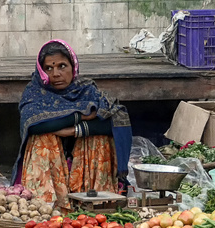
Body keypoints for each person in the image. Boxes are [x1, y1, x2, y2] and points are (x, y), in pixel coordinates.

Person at [11, 40, 132, 208]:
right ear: (41, 72)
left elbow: (113, 123)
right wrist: (80, 116)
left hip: (82, 158)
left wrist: (75, 130)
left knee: (99, 139)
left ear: (73, 67)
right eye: (48, 68)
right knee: (42, 139)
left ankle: (97, 202)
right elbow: (34, 125)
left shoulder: (87, 90)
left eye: (62, 66)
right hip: (53, 163)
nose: (56, 74)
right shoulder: (35, 92)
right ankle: (47, 205)